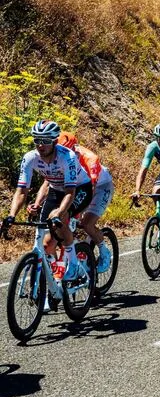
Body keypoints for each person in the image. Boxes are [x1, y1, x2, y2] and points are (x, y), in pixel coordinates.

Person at [3, 120, 93, 289]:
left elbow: (70, 192)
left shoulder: (67, 157)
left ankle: (73, 264)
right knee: (45, 243)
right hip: (55, 189)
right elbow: (21, 191)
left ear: (55, 141)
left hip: (80, 189)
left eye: (45, 141)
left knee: (60, 217)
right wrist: (11, 215)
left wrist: (60, 212)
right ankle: (52, 276)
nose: (40, 145)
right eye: (37, 140)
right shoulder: (30, 158)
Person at [56, 133, 114, 273]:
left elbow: (90, 190)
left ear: (74, 148)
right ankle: (79, 251)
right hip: (77, 188)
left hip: (100, 187)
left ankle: (104, 252)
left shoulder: (90, 159)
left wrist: (80, 212)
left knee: (86, 223)